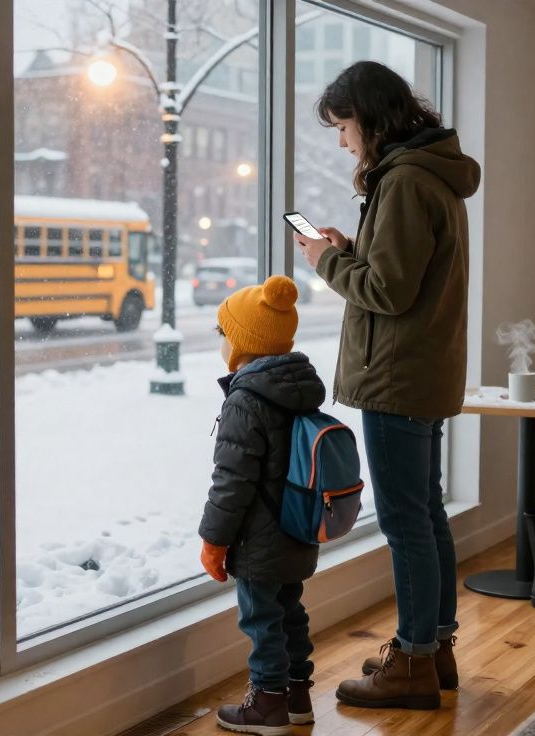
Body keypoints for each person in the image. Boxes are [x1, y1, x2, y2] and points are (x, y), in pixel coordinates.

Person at [294, 60, 481, 711]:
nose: (342, 140)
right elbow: (400, 272)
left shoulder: (403, 182)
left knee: (407, 522)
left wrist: (326, 259)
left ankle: (411, 663)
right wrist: (353, 247)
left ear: (369, 119)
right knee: (426, 515)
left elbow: (385, 290)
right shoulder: (431, 176)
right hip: (421, 372)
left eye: (343, 125)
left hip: (396, 377)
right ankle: (433, 649)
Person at [198, 275, 327, 735]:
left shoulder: (246, 400)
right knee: (290, 610)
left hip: (258, 539)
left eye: (223, 334)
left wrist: (213, 539)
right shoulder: (297, 390)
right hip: (297, 526)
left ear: (241, 343)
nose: (221, 344)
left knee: (260, 618)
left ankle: (268, 703)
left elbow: (232, 481)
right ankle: (296, 697)